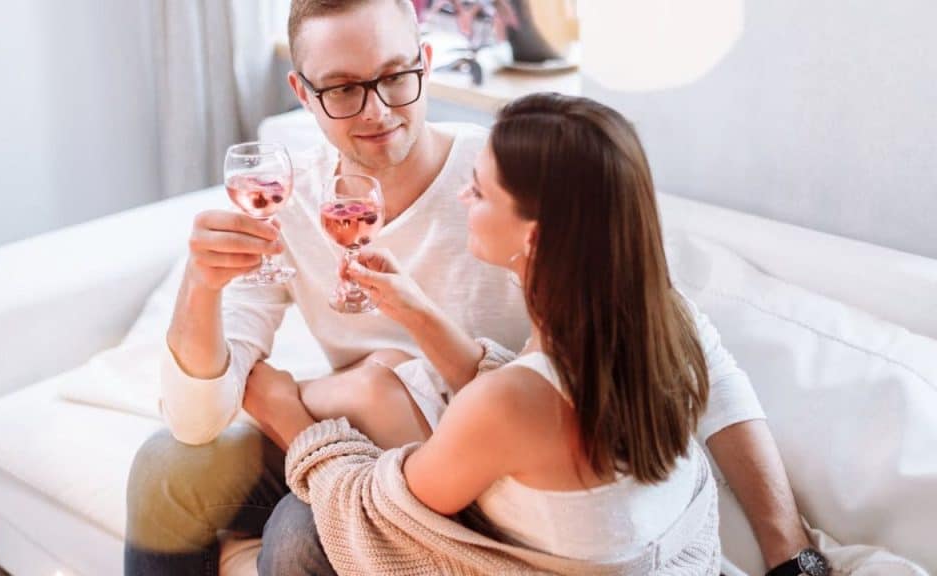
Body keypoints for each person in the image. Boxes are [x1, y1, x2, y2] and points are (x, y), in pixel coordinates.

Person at [124, 1, 815, 574]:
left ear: (425, 62)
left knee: (299, 532)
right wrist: (201, 287)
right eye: (341, 88)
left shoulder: (519, 182)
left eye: (395, 75)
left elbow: (691, 356)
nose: (377, 110)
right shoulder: (288, 199)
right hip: (404, 435)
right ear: (302, 93)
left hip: (472, 460)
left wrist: (790, 547)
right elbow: (198, 418)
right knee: (165, 467)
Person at [245, 92, 723, 574]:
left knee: (296, 528)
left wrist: (285, 415)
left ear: (533, 236)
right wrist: (416, 311)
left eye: (478, 191)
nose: (461, 196)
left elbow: (377, 519)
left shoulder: (511, 404)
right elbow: (528, 399)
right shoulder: (661, 329)